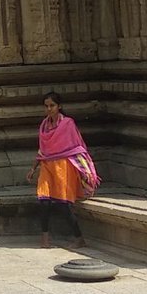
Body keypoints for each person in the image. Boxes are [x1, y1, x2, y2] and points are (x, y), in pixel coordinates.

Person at [28, 92, 97, 250]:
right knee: (43, 200)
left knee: (62, 204)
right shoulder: (44, 126)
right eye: (46, 106)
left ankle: (79, 239)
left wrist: (84, 170)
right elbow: (42, 150)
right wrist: (33, 168)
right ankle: (45, 239)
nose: (49, 109)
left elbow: (77, 147)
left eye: (52, 105)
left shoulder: (68, 124)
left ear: (59, 106)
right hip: (47, 165)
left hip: (63, 166)